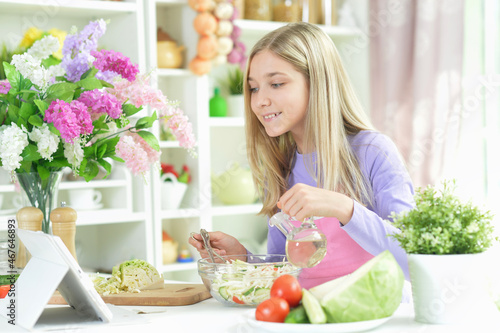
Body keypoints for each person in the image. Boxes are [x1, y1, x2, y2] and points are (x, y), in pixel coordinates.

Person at [189, 22, 415, 289]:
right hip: (307, 317)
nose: (260, 101)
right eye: (253, 87)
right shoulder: (279, 166)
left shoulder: (372, 151)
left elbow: (414, 259)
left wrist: (345, 208)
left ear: (317, 83)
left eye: (276, 83)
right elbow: (287, 270)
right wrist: (244, 258)